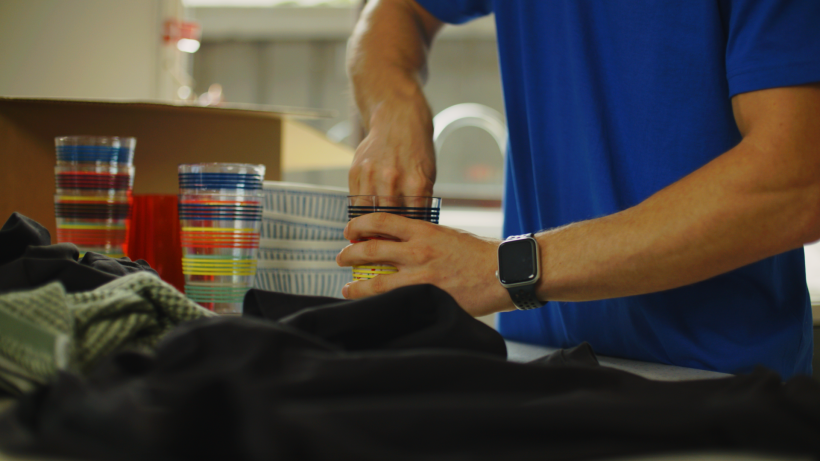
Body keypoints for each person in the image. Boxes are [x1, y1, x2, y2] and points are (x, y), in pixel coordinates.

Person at [337, 0, 820, 379]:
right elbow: (393, 8)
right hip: (540, 369)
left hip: (721, 388)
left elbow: (798, 181)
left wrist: (501, 269)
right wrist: (391, 105)